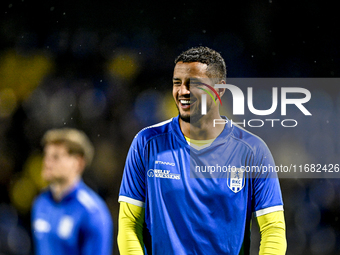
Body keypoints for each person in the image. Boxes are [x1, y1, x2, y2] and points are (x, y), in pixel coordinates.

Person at [117, 46, 286, 254]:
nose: (183, 91)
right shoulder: (147, 143)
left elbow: (273, 230)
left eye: (193, 83)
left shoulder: (252, 150)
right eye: (177, 83)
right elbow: (129, 224)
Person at [31, 128, 113, 255]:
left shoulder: (92, 212)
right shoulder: (41, 203)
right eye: (46, 155)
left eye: (56, 157)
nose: (47, 162)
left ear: (78, 163)